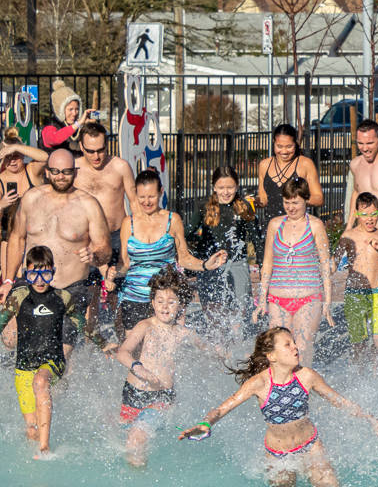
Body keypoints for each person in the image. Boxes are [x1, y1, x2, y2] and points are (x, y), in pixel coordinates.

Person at [180, 327, 378, 487]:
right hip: (277, 455)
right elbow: (222, 408)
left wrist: (373, 421)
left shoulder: (306, 376)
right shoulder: (259, 383)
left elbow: (340, 401)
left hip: (310, 446)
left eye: (294, 343)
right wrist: (205, 424)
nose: (295, 347)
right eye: (287, 345)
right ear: (272, 356)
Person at [103, 274, 225, 469]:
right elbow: (123, 353)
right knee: (127, 438)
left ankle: (139, 486)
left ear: (181, 305)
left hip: (162, 397)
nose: (164, 307)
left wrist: (220, 354)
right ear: (152, 303)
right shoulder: (145, 326)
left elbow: (208, 350)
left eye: (171, 302)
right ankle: (139, 472)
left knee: (136, 439)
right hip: (133, 394)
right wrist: (137, 367)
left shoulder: (184, 333)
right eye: (160, 301)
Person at [6, 148, 113, 336]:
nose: (60, 176)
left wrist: (94, 255)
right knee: (10, 337)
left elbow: (105, 250)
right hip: (31, 284)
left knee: (61, 352)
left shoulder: (89, 205)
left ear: (75, 172)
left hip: (70, 288)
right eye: (55, 171)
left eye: (66, 172)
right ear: (47, 171)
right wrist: (8, 279)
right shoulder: (31, 199)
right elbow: (17, 238)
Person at [112, 168, 220, 338]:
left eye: (151, 197)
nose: (146, 202)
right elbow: (125, 264)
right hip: (134, 296)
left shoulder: (172, 220)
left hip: (165, 298)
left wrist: (205, 265)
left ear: (161, 192)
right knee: (133, 353)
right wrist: (112, 273)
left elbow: (183, 259)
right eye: (142, 197)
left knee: (164, 353)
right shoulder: (128, 223)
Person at [4, 246, 74, 457]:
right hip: (24, 366)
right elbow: (2, 320)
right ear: (26, 273)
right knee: (32, 430)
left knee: (41, 382)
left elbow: (81, 322)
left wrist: (103, 343)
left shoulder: (62, 297)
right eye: (34, 274)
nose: (40, 280)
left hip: (53, 361)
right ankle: (37, 453)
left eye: (45, 274)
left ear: (53, 271)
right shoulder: (19, 296)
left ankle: (45, 447)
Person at [255, 177, 333, 353]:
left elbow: (325, 265)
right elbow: (267, 263)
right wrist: (262, 299)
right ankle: (282, 382)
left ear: (306, 200)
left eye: (295, 203)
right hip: (277, 299)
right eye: (286, 202)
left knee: (301, 349)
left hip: (308, 298)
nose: (290, 207)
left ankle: (303, 381)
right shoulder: (275, 225)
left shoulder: (315, 225)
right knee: (278, 350)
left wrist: (327, 301)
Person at [185, 166, 263, 329]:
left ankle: (238, 346)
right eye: (221, 188)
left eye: (230, 187)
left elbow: (256, 240)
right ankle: (219, 350)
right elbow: (188, 233)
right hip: (210, 265)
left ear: (237, 186)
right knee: (213, 313)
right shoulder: (204, 206)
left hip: (237, 263)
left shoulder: (243, 208)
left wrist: (263, 267)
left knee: (241, 312)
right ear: (214, 187)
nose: (226, 192)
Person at [335, 193, 378, 355]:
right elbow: (333, 263)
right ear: (357, 214)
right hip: (354, 296)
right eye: (365, 215)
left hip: (377, 294)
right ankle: (360, 375)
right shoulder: (348, 236)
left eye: (374, 214)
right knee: (358, 345)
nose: (370, 219)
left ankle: (376, 371)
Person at [73, 120, 138, 232]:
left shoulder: (121, 167)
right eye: (90, 151)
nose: (96, 156)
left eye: (101, 150)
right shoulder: (73, 168)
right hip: (83, 236)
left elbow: (135, 202)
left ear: (107, 144)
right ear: (81, 147)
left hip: (116, 235)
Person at [256, 124, 322, 222]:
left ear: (296, 143)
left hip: (297, 226)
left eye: (289, 146)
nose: (284, 151)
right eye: (279, 146)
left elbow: (319, 199)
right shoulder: (264, 165)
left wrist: (297, 201)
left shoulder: (305, 164)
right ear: (273, 143)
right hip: (271, 226)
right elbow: (263, 199)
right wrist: (252, 203)